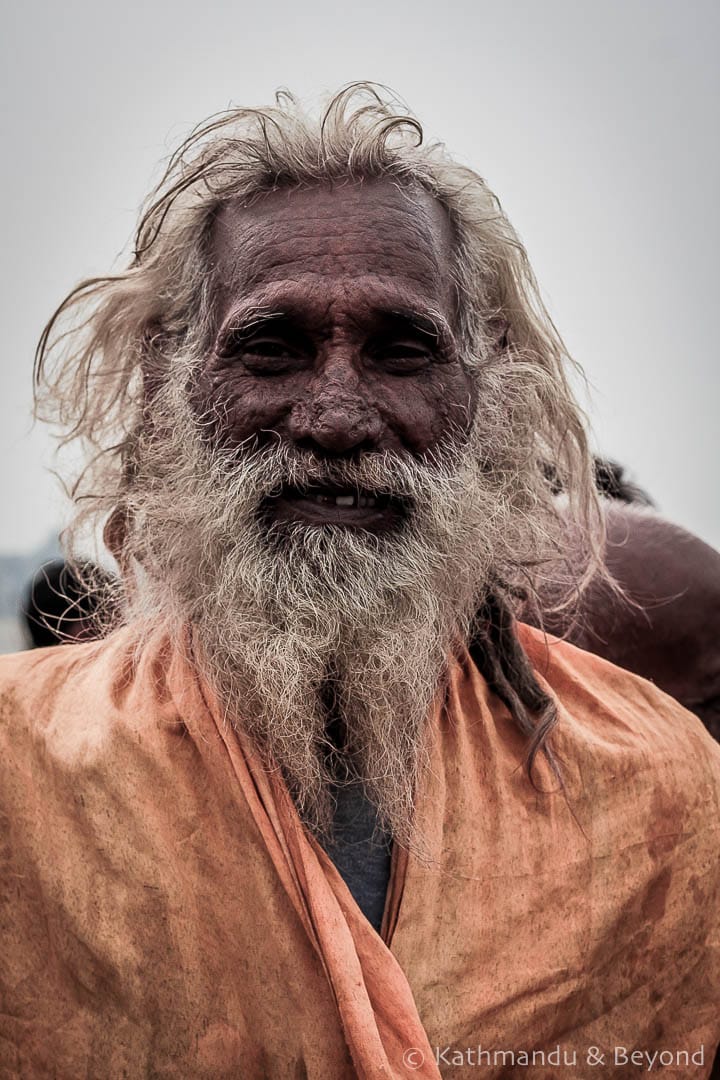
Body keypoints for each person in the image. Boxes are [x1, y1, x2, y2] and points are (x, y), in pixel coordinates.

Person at [2, 84, 718, 1078]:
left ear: (489, 396)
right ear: (169, 385)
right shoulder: (17, 772)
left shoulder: (659, 791)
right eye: (271, 347)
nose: (336, 418)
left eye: (403, 350)